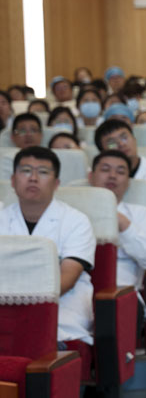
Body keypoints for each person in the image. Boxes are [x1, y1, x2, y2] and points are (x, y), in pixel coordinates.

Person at [0, 147, 96, 345]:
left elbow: (67, 279)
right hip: (4, 304)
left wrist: (24, 305)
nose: (33, 178)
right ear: (13, 180)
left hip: (61, 306)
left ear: (56, 183)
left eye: (43, 172)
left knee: (37, 337)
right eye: (26, 171)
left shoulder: (76, 221)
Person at [88, 150, 146, 318]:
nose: (112, 176)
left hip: (120, 295)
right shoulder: (73, 213)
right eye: (105, 169)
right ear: (91, 177)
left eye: (120, 172)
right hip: (77, 294)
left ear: (128, 182)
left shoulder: (139, 214)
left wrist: (123, 224)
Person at [95, 119, 146, 262]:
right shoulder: (99, 176)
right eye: (111, 142)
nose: (121, 144)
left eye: (124, 137)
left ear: (134, 139)